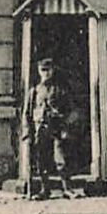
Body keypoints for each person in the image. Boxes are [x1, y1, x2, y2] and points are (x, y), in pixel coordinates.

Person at [21, 57, 74, 200]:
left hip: (56, 128)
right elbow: (27, 113)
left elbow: (70, 110)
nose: (45, 73)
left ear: (53, 71)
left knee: (60, 160)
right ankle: (45, 190)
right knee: (41, 161)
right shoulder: (34, 91)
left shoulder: (60, 90)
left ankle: (67, 189)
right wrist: (26, 132)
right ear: (39, 71)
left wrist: (65, 125)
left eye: (48, 70)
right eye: (43, 70)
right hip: (40, 129)